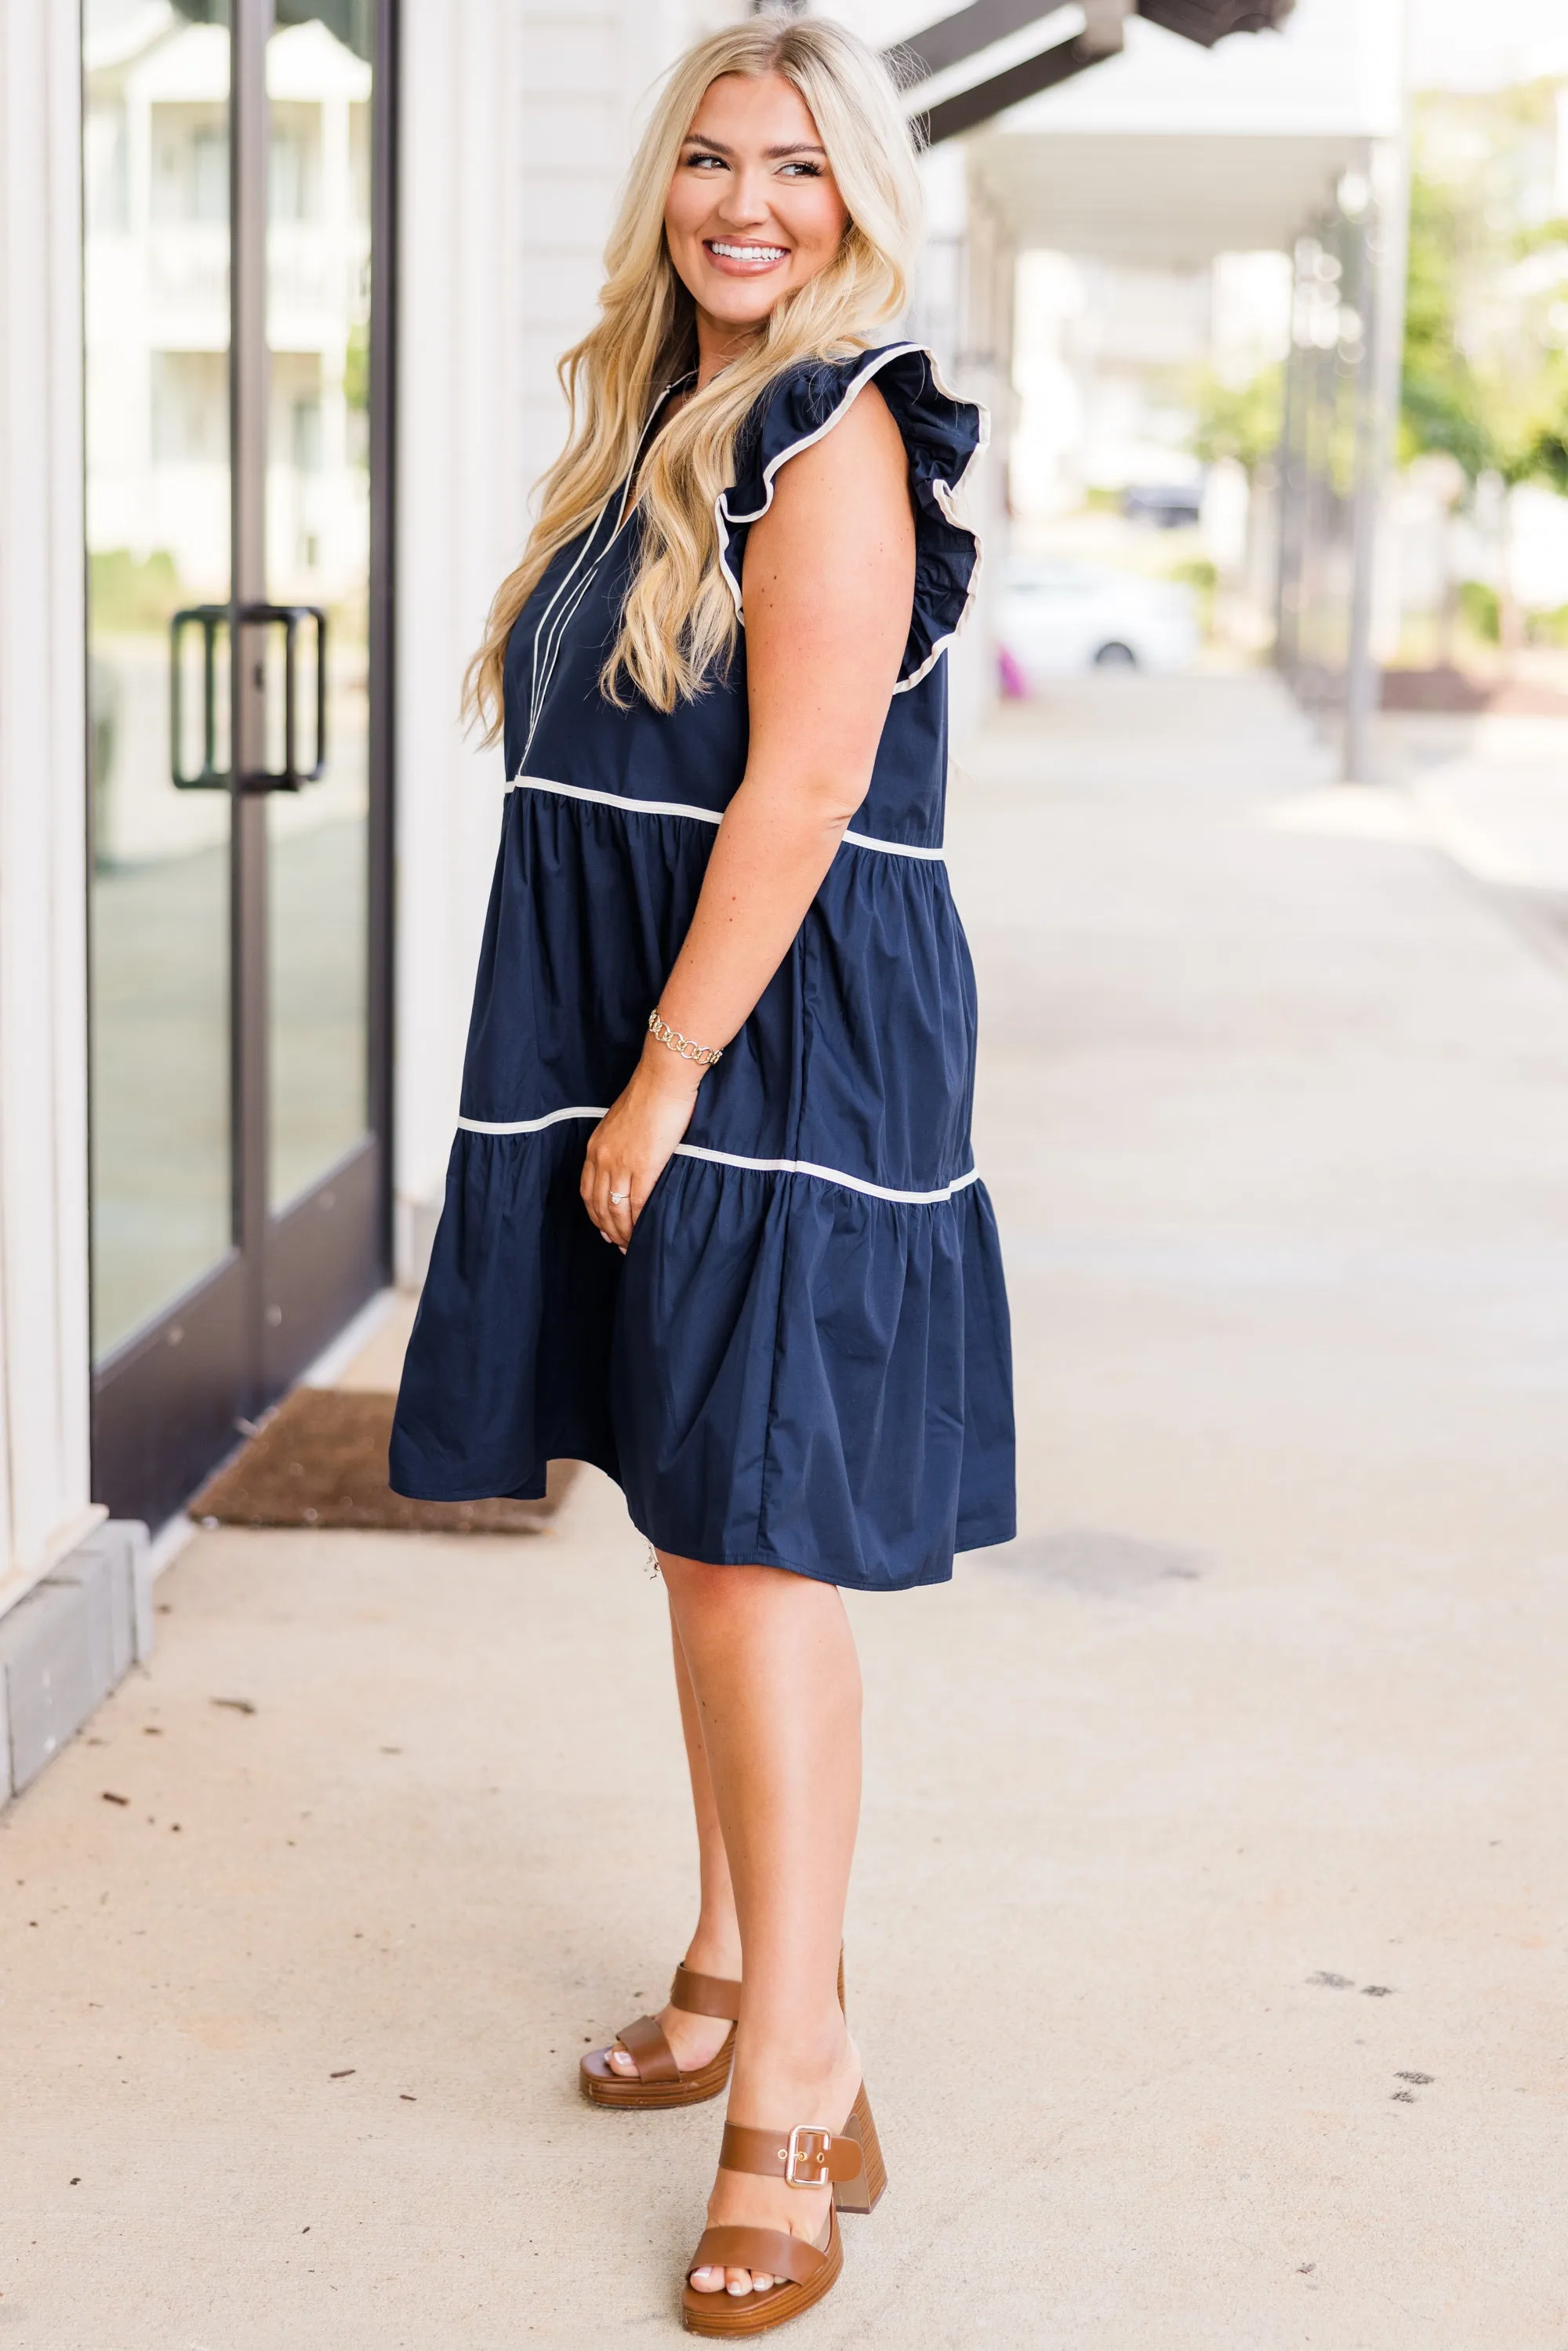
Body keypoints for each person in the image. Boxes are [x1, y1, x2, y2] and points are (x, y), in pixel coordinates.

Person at [390, 12, 1014, 2332]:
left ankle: (799, 2088)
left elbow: (803, 792)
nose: (749, 203)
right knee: (699, 1525)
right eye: (710, 164)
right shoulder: (676, 419)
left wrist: (658, 1076)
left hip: (772, 1044)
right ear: (666, 190)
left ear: (858, 201)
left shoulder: (836, 432)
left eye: (799, 168)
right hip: (681, 1022)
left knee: (757, 1551)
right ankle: (746, 1955)